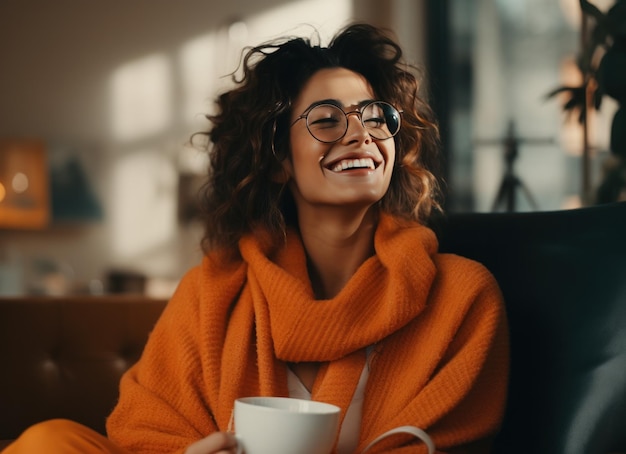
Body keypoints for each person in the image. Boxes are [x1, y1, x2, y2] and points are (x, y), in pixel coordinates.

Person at [3, 22, 509, 454]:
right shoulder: (212, 291)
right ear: (277, 161)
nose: (361, 134)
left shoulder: (462, 296)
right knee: (49, 440)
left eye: (376, 117)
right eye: (328, 121)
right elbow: (143, 430)